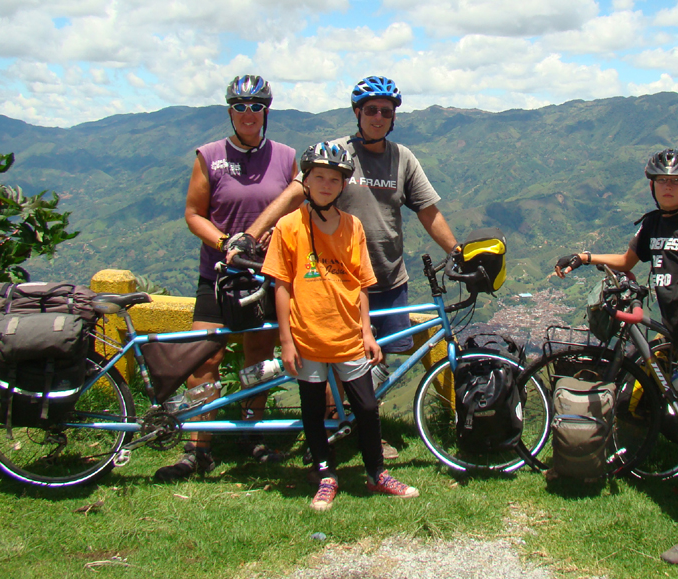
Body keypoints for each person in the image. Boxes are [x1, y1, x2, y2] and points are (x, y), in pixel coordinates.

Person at [235, 75, 458, 459]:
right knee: (331, 360)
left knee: (375, 359)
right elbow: (295, 192)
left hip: (386, 278)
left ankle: (360, 428)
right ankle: (324, 435)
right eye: (370, 109)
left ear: (393, 118)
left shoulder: (402, 158)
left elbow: (427, 210)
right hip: (333, 282)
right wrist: (251, 234)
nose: (377, 116)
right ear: (357, 113)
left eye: (385, 112)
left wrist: (457, 251)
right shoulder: (336, 153)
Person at [554, 148, 678, 565]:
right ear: (652, 185)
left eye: (676, 181)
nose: (668, 187)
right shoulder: (651, 225)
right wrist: (585, 257)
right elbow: (628, 261)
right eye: (662, 181)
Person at [262, 142, 419, 511]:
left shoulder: (353, 226)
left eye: (335, 179)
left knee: (366, 406)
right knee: (313, 409)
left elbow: (361, 283)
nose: (327, 185)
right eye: (319, 177)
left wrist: (366, 332)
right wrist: (286, 340)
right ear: (306, 181)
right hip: (307, 333)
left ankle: (376, 473)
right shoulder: (288, 226)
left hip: (347, 333)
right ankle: (325, 475)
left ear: (343, 184)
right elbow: (281, 286)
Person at [155, 75, 298, 481]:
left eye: (256, 106)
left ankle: (253, 436)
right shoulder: (210, 155)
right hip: (217, 275)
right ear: (229, 110)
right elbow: (193, 214)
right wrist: (225, 241)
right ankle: (197, 447)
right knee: (205, 357)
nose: (248, 113)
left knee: (258, 355)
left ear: (266, 111)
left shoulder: (286, 157)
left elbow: (296, 206)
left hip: (265, 276)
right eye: (240, 105)